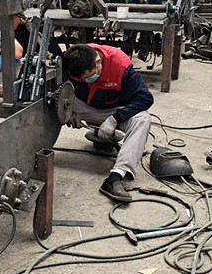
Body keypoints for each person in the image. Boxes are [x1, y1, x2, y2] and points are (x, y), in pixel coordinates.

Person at [63, 43, 153, 202]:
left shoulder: (120, 65)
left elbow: (145, 98)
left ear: (98, 62)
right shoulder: (72, 61)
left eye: (90, 76)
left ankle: (116, 176)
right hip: (83, 108)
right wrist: (65, 111)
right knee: (50, 103)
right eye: (83, 80)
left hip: (113, 111)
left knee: (143, 119)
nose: (88, 81)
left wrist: (115, 119)